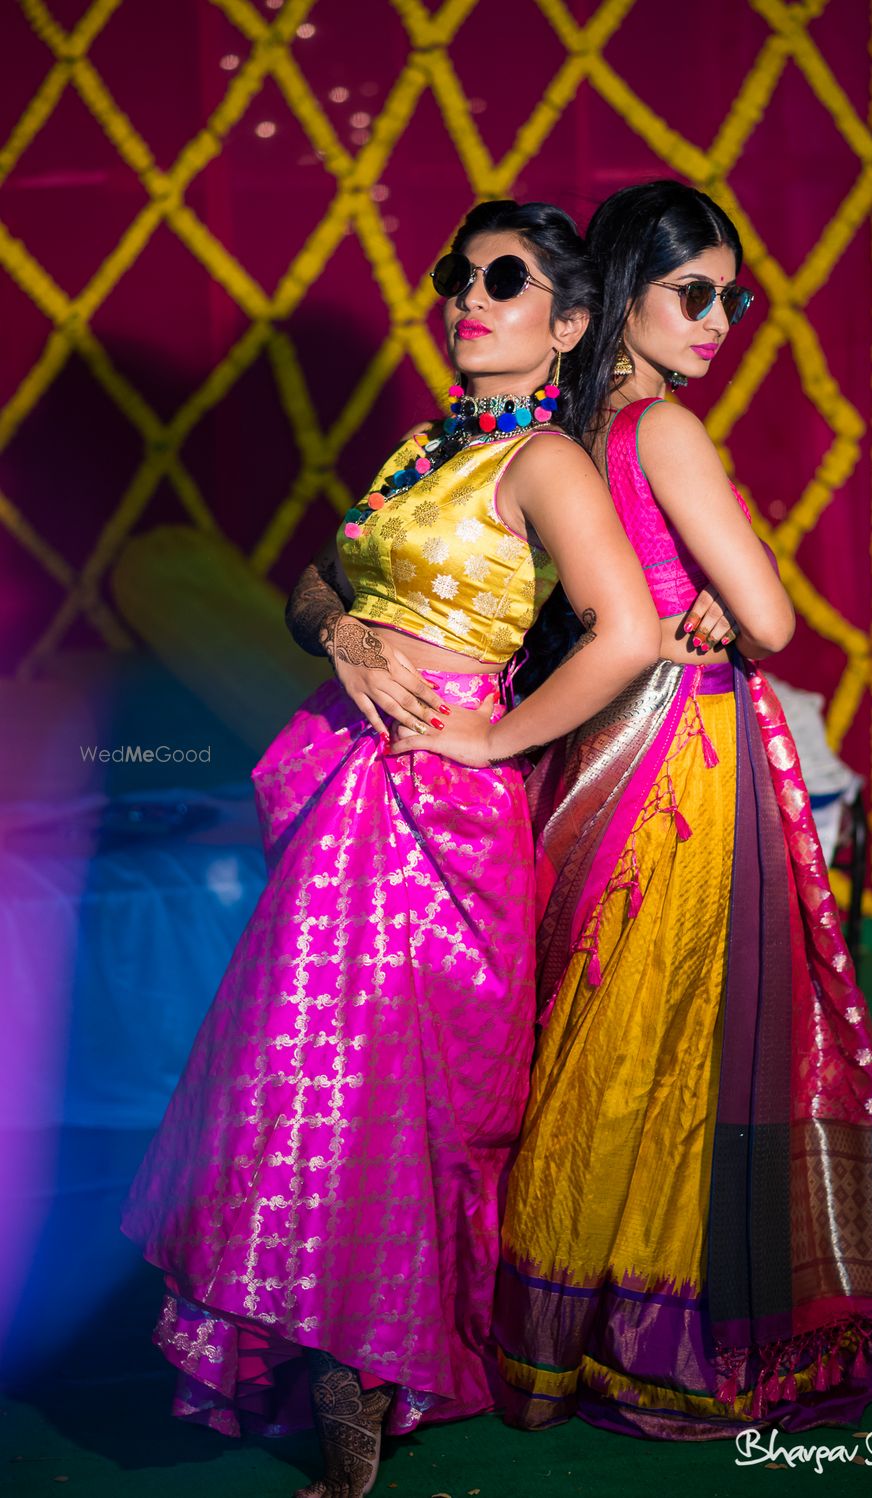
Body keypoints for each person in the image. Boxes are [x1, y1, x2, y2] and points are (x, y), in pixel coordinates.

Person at [121, 199, 661, 1498]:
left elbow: (625, 629)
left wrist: (491, 740)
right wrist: (345, 636)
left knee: (393, 1100)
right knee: (298, 1077)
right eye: (457, 276)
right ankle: (337, 1363)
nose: (469, 297)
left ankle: (367, 1373)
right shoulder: (427, 447)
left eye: (506, 279)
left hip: (434, 818)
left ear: (568, 321)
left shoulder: (545, 463)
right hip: (344, 791)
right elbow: (318, 578)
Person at [478, 180, 872, 1439]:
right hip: (681, 761)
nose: (720, 319)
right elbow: (780, 619)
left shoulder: (557, 434)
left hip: (581, 755)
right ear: (624, 294)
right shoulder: (665, 433)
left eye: (732, 298)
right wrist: (741, 603)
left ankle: (549, 1328)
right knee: (673, 1045)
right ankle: (650, 1330)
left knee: (590, 1036)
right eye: (695, 293)